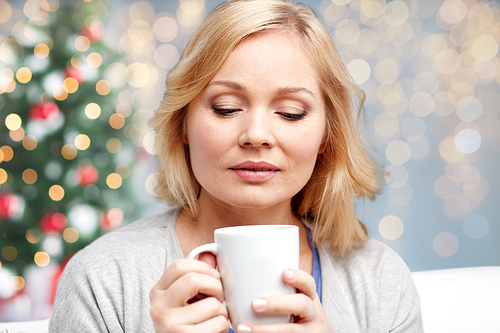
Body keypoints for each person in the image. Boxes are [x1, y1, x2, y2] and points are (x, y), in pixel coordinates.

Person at [50, 0, 423, 332]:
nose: (256, 135)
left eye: (291, 113)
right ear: (183, 123)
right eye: (226, 108)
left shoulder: (380, 281)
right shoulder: (102, 281)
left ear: (327, 134)